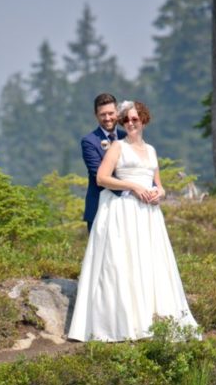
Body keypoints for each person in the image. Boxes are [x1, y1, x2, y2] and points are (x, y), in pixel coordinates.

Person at [68, 100, 199, 342]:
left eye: (135, 119)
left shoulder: (151, 150)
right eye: (126, 120)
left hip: (147, 215)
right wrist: (133, 186)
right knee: (122, 264)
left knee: (148, 263)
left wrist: (158, 193)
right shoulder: (117, 147)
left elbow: (159, 184)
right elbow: (101, 177)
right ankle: (123, 322)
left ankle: (152, 319)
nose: (130, 123)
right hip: (123, 210)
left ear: (144, 120)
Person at [81, 93, 127, 233]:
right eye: (103, 114)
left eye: (111, 113)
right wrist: (130, 190)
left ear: (117, 113)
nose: (107, 118)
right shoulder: (89, 141)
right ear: (96, 115)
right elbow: (98, 175)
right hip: (100, 207)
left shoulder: (127, 137)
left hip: (127, 209)